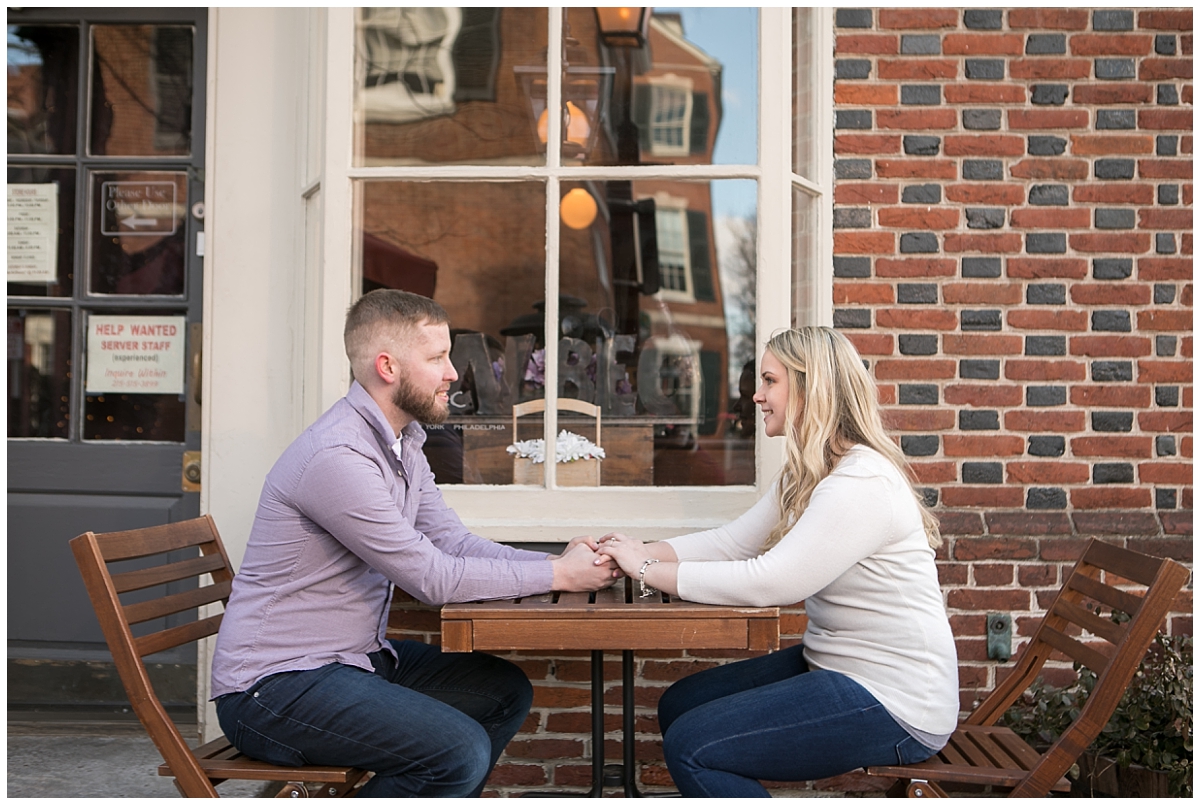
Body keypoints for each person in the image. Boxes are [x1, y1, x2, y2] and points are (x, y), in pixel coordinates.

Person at [210, 289, 616, 798]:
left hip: (354, 660)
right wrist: (561, 577)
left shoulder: (403, 443)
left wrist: (557, 563)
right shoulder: (338, 457)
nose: (453, 373)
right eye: (437, 358)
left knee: (501, 691)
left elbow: (453, 542)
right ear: (388, 366)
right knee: (457, 751)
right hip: (274, 689)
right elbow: (432, 577)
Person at [597, 326, 959, 797]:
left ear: (811, 388)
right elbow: (733, 543)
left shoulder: (860, 483)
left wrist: (645, 572)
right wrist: (638, 550)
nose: (755, 395)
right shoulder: (809, 471)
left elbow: (771, 581)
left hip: (897, 701)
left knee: (693, 745)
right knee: (679, 706)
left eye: (769, 381)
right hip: (837, 665)